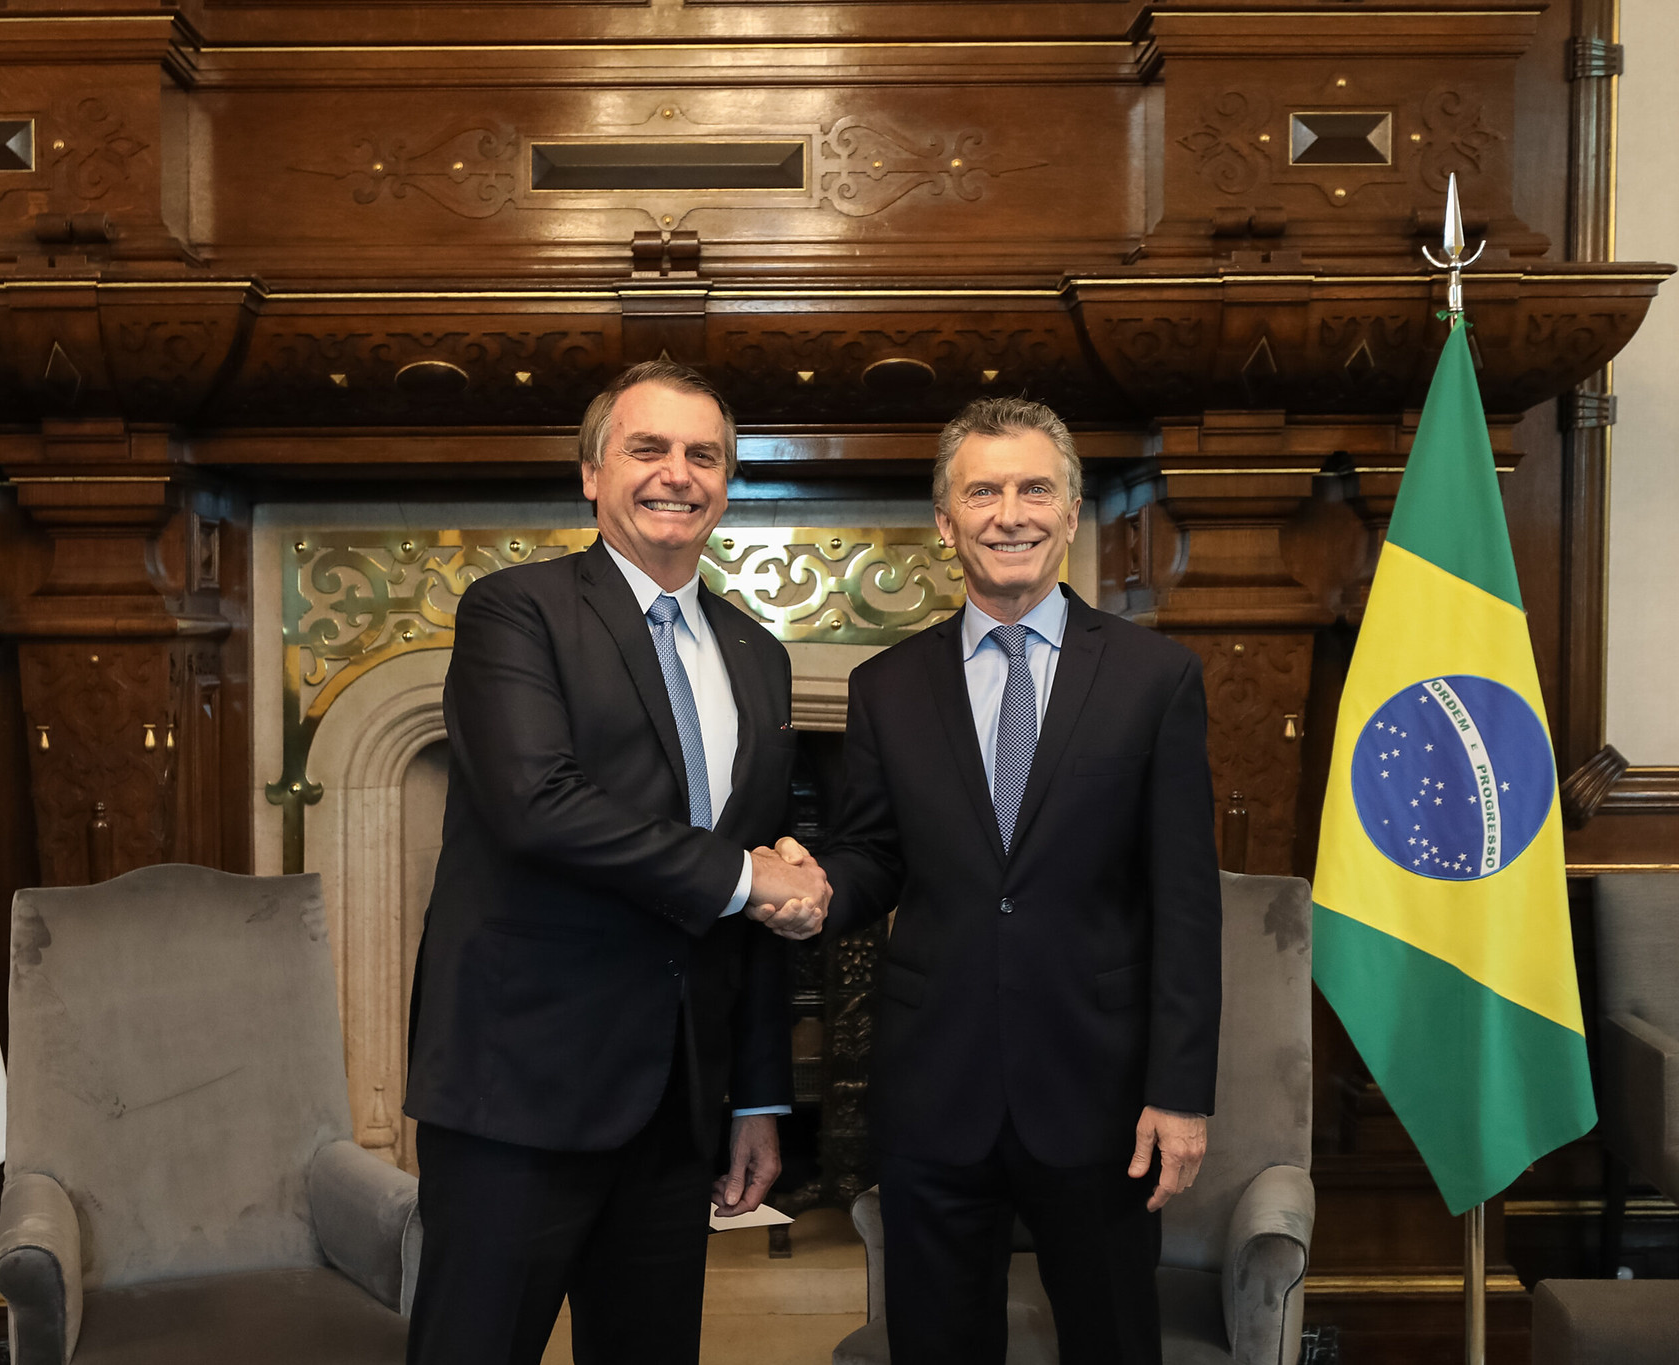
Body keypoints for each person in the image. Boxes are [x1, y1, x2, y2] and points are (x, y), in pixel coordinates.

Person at [403, 359, 829, 1365]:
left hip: (676, 1108)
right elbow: (538, 807)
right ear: (592, 474)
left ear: (726, 483)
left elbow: (751, 899)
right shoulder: (514, 611)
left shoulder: (759, 655)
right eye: (648, 448)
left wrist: (757, 1097)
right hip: (517, 1093)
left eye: (703, 454)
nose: (677, 473)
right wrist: (748, 878)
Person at [800, 396, 1222, 1364]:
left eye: (1034, 489)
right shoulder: (884, 688)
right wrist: (809, 884)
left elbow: (1186, 903)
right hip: (933, 1092)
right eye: (982, 492)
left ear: (1070, 513)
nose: (1010, 514)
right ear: (945, 522)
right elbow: (872, 859)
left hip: (1100, 1094)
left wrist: (1180, 1091)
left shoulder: (1155, 679)